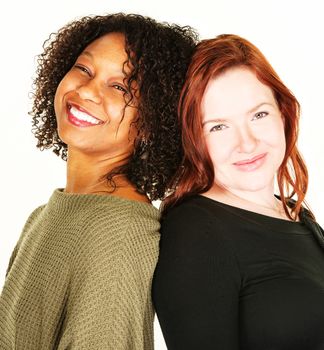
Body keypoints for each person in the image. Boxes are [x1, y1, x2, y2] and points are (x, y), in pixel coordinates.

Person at [0, 13, 197, 349]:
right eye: (83, 69)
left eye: (120, 86)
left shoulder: (119, 232)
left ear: (153, 120)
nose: (87, 91)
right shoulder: (46, 214)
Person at [152, 34, 324, 349]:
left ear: (282, 113)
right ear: (193, 139)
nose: (247, 143)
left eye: (259, 115)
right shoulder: (195, 233)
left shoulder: (295, 213)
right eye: (218, 126)